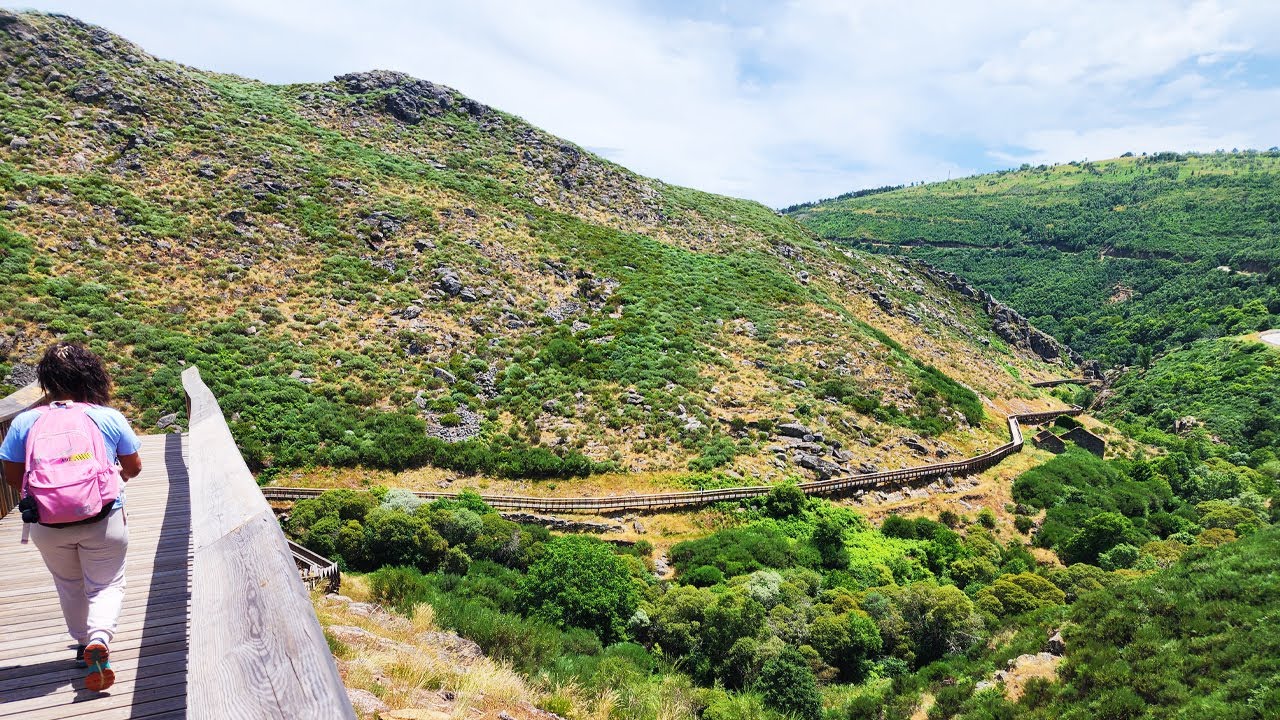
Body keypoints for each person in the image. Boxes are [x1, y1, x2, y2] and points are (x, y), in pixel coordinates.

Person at [1, 343, 142, 692]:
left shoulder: (25, 421)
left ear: (46, 381)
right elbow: (134, 467)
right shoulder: (106, 416)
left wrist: (47, 496)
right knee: (106, 583)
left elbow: (12, 476)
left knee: (69, 583)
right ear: (92, 376)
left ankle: (83, 645)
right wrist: (112, 480)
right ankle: (99, 639)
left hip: (46, 523)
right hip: (103, 518)